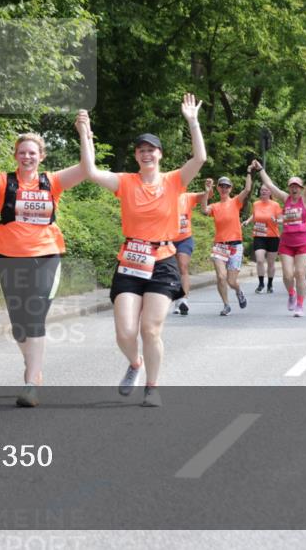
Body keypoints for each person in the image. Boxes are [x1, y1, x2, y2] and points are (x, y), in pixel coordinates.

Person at [0, 111, 93, 408]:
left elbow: (86, 168)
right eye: (22, 153)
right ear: (15, 156)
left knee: (34, 317)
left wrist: (84, 133)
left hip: (46, 257)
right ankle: (33, 364)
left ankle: (31, 384)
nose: (27, 157)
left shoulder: (51, 181)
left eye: (32, 153)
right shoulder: (3, 182)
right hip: (9, 260)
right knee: (19, 326)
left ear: (41, 156)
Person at [89, 93, 206, 407]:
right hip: (131, 260)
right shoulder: (125, 182)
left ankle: (152, 388)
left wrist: (193, 122)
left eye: (151, 149)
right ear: (136, 156)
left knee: (150, 329)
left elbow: (199, 159)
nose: (146, 154)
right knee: (125, 332)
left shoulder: (173, 181)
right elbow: (92, 172)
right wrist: (86, 135)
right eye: (141, 150)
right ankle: (135, 363)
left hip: (163, 261)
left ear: (160, 154)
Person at [252, 148, 306, 318]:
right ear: (289, 188)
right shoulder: (285, 199)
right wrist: (260, 169)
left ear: (301, 188)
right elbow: (270, 185)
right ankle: (291, 294)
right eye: (292, 186)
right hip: (286, 243)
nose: (294, 188)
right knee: (287, 275)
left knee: (300, 273)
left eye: (297, 186)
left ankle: (300, 305)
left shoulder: (305, 200)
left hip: (303, 242)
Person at [200, 169, 254, 316]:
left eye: (227, 186)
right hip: (220, 246)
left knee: (231, 281)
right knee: (220, 276)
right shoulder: (215, 206)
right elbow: (204, 209)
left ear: (230, 189)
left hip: (235, 245)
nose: (224, 189)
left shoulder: (235, 201)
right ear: (217, 188)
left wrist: (249, 171)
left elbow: (247, 189)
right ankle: (226, 305)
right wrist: (206, 191)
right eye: (221, 186)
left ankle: (238, 291)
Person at [171, 188, 205, 315]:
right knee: (173, 271)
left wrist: (208, 190)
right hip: (168, 239)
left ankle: (184, 300)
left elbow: (204, 196)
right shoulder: (165, 197)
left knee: (183, 266)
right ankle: (177, 300)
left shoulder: (187, 197)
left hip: (185, 239)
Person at [243, 185, 282, 294]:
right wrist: (247, 221)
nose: (263, 191)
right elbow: (254, 215)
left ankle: (270, 284)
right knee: (260, 260)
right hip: (259, 235)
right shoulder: (256, 204)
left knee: (271, 263)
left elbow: (281, 219)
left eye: (266, 190)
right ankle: (261, 284)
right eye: (262, 190)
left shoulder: (275, 205)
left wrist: (276, 221)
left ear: (270, 192)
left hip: (273, 237)